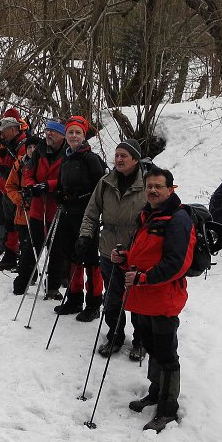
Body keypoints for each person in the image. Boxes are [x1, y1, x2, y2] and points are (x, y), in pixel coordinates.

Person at [111, 166, 195, 433]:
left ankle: (167, 409)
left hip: (163, 299)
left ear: (170, 189)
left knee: (166, 353)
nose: (153, 191)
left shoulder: (179, 219)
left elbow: (177, 263)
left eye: (159, 186)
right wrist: (124, 259)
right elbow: (144, 254)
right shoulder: (147, 214)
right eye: (149, 186)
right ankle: (155, 393)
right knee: (151, 346)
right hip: (142, 297)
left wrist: (144, 278)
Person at [78, 139, 146, 359]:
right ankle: (114, 336)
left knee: (137, 297)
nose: (119, 159)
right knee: (112, 297)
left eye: (124, 156)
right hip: (109, 249)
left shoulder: (147, 183)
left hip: (137, 251)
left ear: (135, 159)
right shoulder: (105, 182)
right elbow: (91, 212)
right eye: (117, 155)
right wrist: (85, 235)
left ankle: (140, 341)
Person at [53, 116, 106, 321]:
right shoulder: (66, 158)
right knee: (72, 257)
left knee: (91, 259)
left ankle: (94, 303)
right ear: (65, 135)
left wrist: (78, 197)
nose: (74, 136)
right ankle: (74, 299)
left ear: (84, 136)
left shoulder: (91, 159)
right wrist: (60, 194)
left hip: (87, 216)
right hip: (68, 214)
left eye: (78, 133)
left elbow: (99, 188)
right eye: (70, 132)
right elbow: (60, 184)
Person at [21, 120, 68, 298]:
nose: (48, 134)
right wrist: (31, 185)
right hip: (38, 206)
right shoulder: (40, 150)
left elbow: (67, 178)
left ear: (62, 135)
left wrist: (49, 185)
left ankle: (53, 286)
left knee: (56, 250)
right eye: (47, 130)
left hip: (57, 208)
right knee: (32, 246)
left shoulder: (68, 152)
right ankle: (23, 281)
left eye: (53, 132)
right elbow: (28, 171)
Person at [0, 108, 29, 259]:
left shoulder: (22, 141)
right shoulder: (1, 137)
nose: (2, 131)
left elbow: (18, 168)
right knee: (2, 216)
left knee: (15, 221)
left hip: (12, 186)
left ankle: (14, 251)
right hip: (0, 183)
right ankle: (3, 246)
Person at [5, 134, 41, 294]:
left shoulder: (43, 163)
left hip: (40, 212)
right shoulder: (19, 164)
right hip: (23, 213)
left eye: (35, 147)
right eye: (29, 147)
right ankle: (29, 274)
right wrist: (20, 199)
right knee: (26, 245)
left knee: (37, 245)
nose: (32, 150)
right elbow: (10, 186)